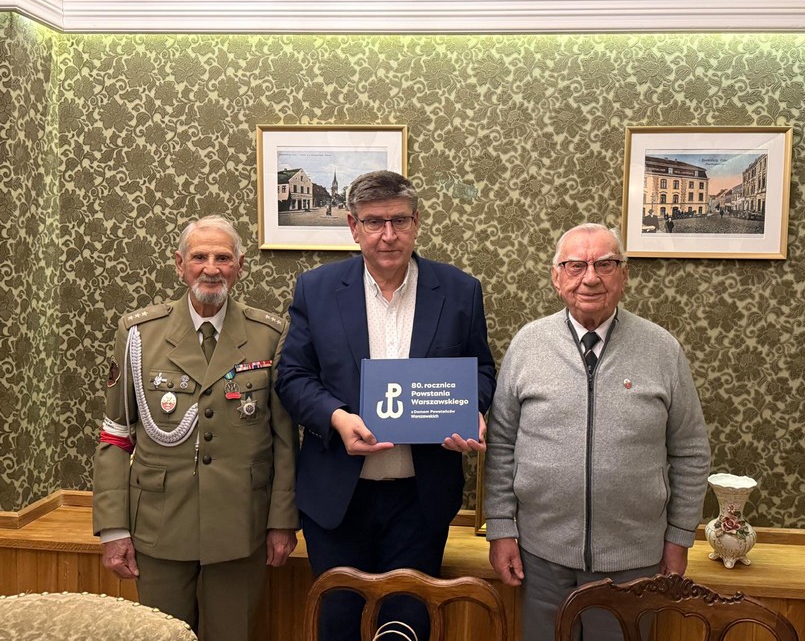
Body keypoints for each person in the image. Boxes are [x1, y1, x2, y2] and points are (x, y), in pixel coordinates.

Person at [275, 170, 496, 641]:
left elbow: (481, 370)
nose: (388, 235)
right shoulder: (316, 289)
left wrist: (469, 411)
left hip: (420, 500)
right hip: (338, 500)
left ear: (417, 222)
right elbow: (292, 377)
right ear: (353, 227)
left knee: (406, 626)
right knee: (338, 625)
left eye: (399, 220)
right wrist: (337, 418)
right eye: (374, 222)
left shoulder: (460, 290)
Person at [484, 222, 710, 641]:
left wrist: (680, 538)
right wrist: (500, 528)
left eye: (605, 264)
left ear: (624, 275)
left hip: (633, 562)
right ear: (556, 277)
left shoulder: (662, 349)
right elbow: (501, 444)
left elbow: (691, 451)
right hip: (541, 558)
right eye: (575, 265)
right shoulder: (528, 344)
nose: (590, 278)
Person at [92, 215, 299, 641]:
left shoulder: (269, 335)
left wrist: (282, 521)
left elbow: (284, 440)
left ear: (240, 266)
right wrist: (113, 529)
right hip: (160, 524)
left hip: (240, 526)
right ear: (180, 264)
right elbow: (115, 434)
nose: (211, 268)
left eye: (223, 258)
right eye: (199, 257)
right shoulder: (139, 334)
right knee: (161, 635)